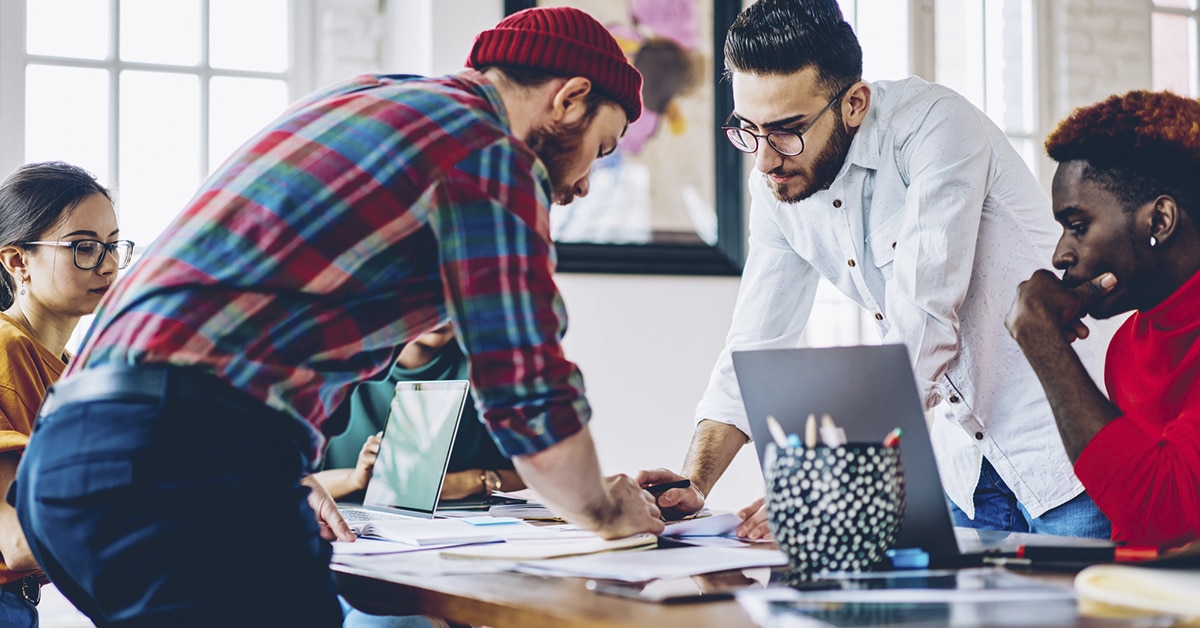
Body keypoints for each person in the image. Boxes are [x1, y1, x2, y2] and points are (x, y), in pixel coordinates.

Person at [14, 7, 663, 626]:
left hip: (66, 463)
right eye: (601, 151)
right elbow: (528, 391)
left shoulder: (366, 99)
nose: (581, 187)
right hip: (182, 459)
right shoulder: (490, 148)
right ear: (571, 99)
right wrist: (606, 511)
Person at [638, 0, 1111, 541]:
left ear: (855, 103)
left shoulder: (936, 126)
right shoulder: (776, 184)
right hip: (968, 472)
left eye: (787, 131)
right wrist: (696, 483)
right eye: (748, 129)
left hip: (1066, 456)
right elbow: (755, 341)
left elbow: (925, 320)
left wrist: (827, 481)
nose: (765, 159)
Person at [1006, 90, 1200, 550]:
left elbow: (1165, 515)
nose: (1060, 255)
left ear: (1159, 221)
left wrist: (1045, 345)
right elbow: (1134, 537)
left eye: (1077, 224)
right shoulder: (1128, 347)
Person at [0, 162, 132, 627]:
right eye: (83, 248)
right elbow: (17, 542)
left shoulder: (73, 371)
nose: (109, 264)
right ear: (17, 261)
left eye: (113, 245)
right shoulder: (4, 350)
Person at [315, 322, 525, 503]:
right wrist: (355, 480)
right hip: (354, 534)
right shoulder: (334, 366)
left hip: (464, 532)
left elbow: (540, 471)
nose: (438, 312)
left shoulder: (495, 365)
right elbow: (289, 483)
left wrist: (463, 483)